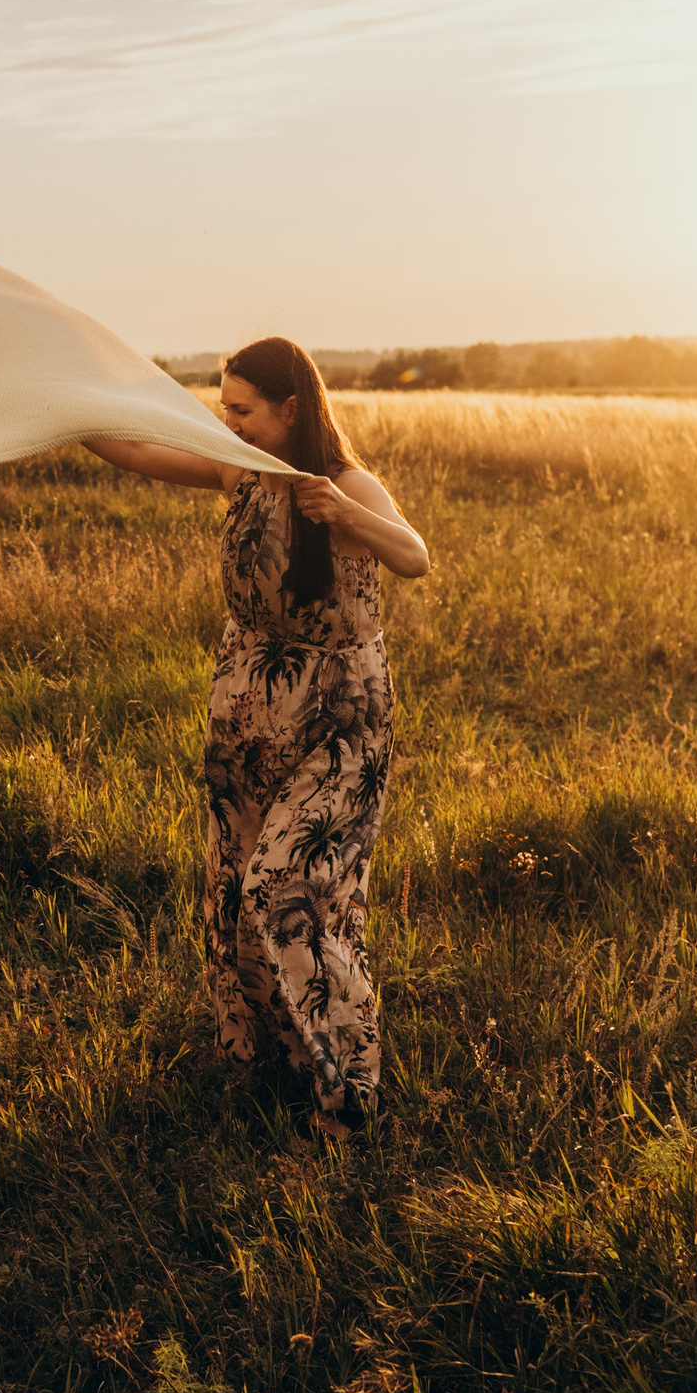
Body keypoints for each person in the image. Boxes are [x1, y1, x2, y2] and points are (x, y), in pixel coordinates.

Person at [84, 337, 429, 1137]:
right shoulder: (234, 466)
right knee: (235, 886)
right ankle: (268, 1061)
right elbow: (132, 448)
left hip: (338, 721)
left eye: (242, 409)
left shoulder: (346, 483)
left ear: (291, 409)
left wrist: (346, 515)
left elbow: (414, 556)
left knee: (287, 888)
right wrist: (59, 405)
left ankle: (348, 1092)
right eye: (223, 406)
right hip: (246, 708)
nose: (227, 421)